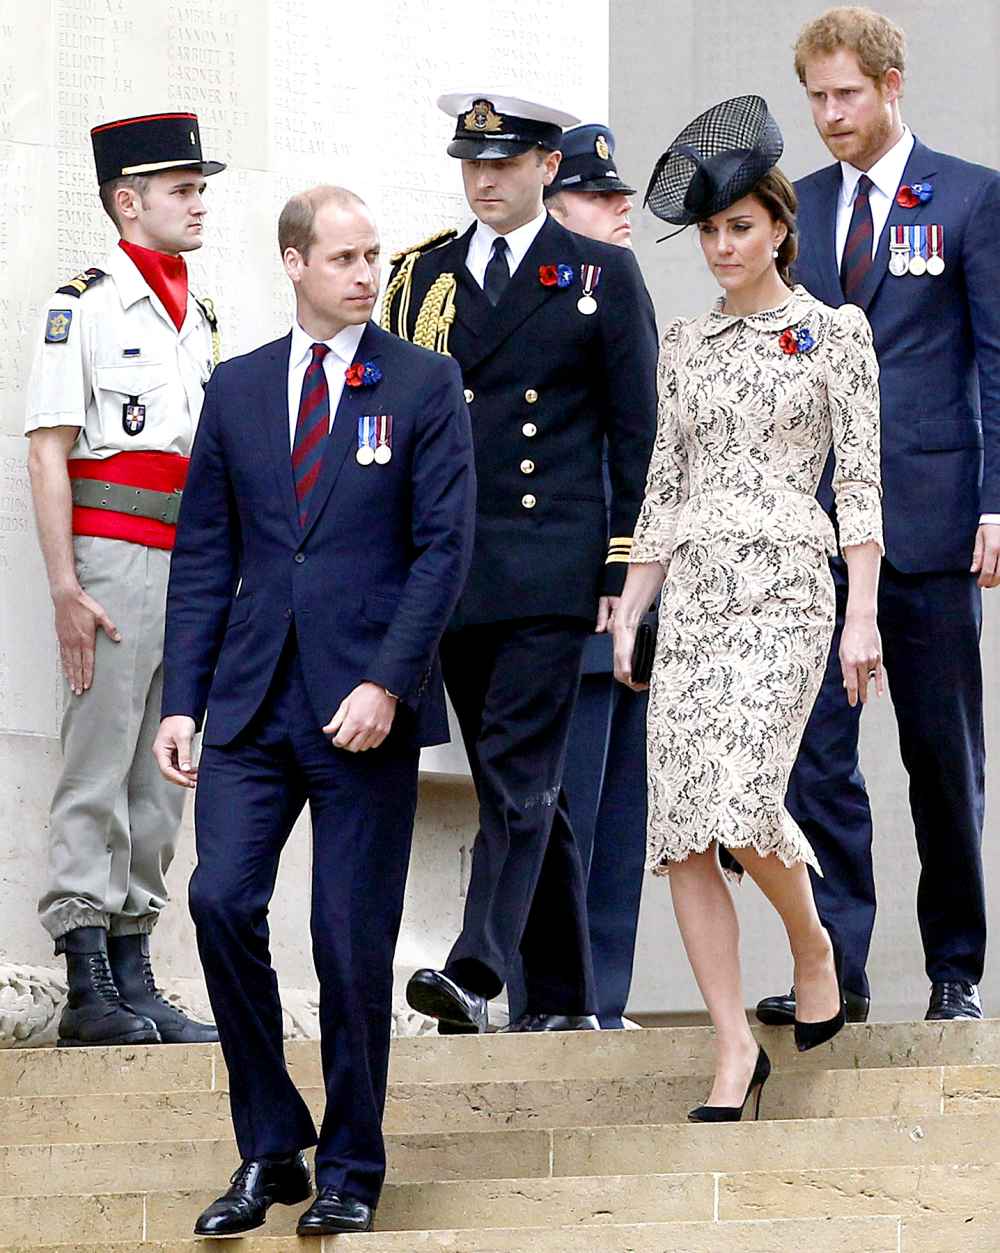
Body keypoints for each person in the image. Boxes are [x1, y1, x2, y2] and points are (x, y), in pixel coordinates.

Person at [153, 185, 475, 1238]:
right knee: (218, 902)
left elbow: (443, 550)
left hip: (362, 707)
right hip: (249, 702)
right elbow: (205, 551)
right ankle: (269, 1143)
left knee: (346, 941)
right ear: (293, 262)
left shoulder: (423, 381)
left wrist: (389, 680)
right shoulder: (240, 388)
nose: (364, 273)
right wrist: (183, 698)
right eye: (342, 256)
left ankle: (351, 1165)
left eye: (373, 255)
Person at [614, 96, 883, 1120]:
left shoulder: (831, 333)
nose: (722, 246)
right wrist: (634, 603)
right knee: (682, 829)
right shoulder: (682, 342)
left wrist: (861, 616)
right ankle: (733, 1048)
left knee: (741, 794)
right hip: (693, 597)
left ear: (777, 225)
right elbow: (662, 485)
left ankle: (812, 943)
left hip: (785, 590)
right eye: (711, 231)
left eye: (740, 226)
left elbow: (857, 487)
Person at [382, 92, 658, 1035]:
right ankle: (573, 997)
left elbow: (638, 437)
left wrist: (624, 576)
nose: (484, 180)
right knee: (532, 786)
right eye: (471, 164)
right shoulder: (422, 277)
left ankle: (476, 968)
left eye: (503, 164)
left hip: (554, 571)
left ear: (547, 167)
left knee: (512, 765)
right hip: (457, 572)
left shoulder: (600, 276)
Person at [757, 6, 1000, 1028]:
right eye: (814, 97)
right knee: (815, 756)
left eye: (845, 94)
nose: (828, 115)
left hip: (933, 520)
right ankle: (837, 968)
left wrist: (995, 502)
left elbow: (994, 357)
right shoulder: (799, 209)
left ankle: (954, 966)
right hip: (816, 534)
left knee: (940, 758)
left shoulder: (969, 198)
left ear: (890, 84)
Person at [24, 111, 223, 1048]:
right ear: (128, 199)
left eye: (199, 187)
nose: (198, 203)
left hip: (189, 563)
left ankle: (137, 968)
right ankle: (86, 978)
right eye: (181, 189)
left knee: (164, 771)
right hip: (111, 557)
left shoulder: (201, 310)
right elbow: (48, 451)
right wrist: (66, 583)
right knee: (97, 761)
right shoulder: (85, 303)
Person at [506, 124, 649, 1030]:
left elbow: (647, 450)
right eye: (601, 196)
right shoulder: (527, 308)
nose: (622, 209)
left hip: (635, 592)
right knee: (556, 809)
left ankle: (607, 996)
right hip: (564, 594)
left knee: (623, 816)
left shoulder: (619, 296)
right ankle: (552, 1000)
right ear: (555, 209)